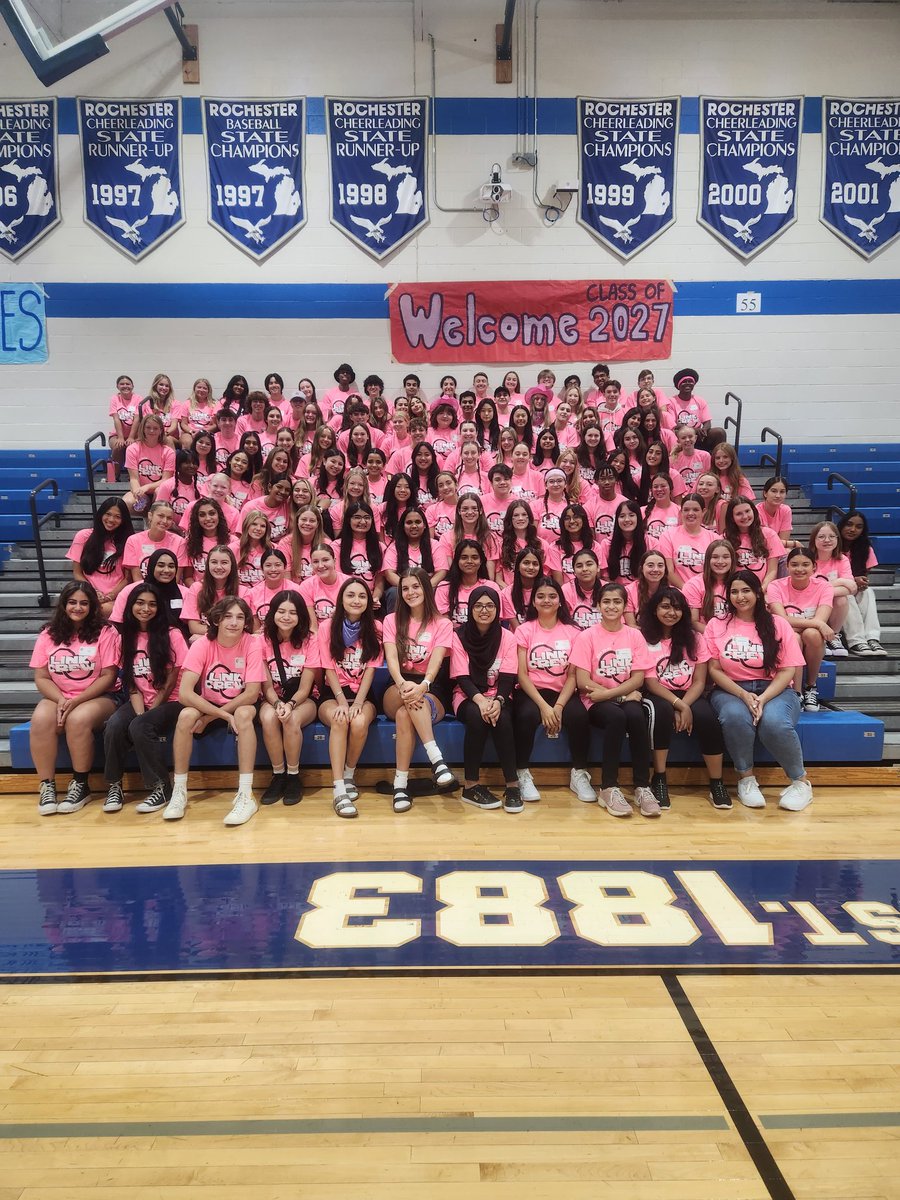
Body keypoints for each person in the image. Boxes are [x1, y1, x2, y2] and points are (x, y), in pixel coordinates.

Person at [706, 570, 812, 811]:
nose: (740, 596)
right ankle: (746, 779)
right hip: (731, 690)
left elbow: (787, 670)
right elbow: (714, 669)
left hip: (775, 689)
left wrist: (762, 698)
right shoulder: (717, 624)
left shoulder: (778, 624)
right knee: (735, 716)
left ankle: (800, 782)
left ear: (757, 593)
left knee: (774, 722)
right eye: (734, 591)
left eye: (746, 590)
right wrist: (744, 695)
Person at [163, 596, 265, 826]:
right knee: (186, 715)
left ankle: (246, 794)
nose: (234, 622)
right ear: (217, 619)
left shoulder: (252, 643)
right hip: (211, 703)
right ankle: (179, 791)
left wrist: (211, 718)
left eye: (240, 617)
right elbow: (185, 694)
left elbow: (251, 693)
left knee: (243, 714)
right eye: (228, 616)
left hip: (239, 703)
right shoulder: (202, 644)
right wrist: (219, 715)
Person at [29, 581, 121, 815]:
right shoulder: (48, 634)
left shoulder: (106, 631)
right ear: (64, 604)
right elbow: (41, 677)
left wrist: (75, 701)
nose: (78, 607)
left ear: (92, 606)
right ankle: (47, 786)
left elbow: (109, 676)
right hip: (59, 695)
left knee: (77, 719)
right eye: (72, 602)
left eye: (84, 603)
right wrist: (61, 700)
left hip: (100, 695)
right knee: (40, 719)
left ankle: (80, 784)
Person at [570, 582, 657, 818]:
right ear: (598, 605)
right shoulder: (586, 636)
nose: (611, 606)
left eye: (617, 601)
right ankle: (608, 788)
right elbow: (582, 680)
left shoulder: (634, 635)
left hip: (619, 695)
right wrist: (617, 695)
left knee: (637, 716)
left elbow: (638, 678)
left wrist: (615, 694)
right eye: (606, 601)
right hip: (595, 700)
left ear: (624, 605)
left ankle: (642, 786)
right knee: (617, 716)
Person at [638, 587, 730, 810]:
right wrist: (678, 705)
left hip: (689, 694)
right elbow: (650, 682)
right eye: (665, 607)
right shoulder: (643, 637)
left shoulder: (696, 639)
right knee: (661, 713)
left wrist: (685, 705)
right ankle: (659, 778)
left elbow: (699, 681)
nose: (671, 612)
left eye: (677, 608)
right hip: (657, 693)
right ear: (654, 610)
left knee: (708, 718)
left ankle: (716, 782)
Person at [101, 584, 187, 813]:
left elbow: (171, 681)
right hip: (139, 698)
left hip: (172, 701)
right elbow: (130, 682)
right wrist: (140, 711)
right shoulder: (124, 638)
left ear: (159, 608)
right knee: (115, 725)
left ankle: (161, 787)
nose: (145, 608)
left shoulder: (172, 634)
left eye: (152, 603)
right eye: (140, 603)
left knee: (141, 725)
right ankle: (114, 786)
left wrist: (147, 714)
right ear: (131, 606)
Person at [513, 575, 595, 805]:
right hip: (532, 691)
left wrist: (558, 706)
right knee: (526, 715)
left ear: (560, 601)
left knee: (579, 715)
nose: (546, 600)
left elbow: (572, 675)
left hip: (563, 692)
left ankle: (579, 773)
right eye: (540, 596)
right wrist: (543, 706)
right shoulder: (524, 630)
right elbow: (521, 674)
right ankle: (522, 773)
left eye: (552, 596)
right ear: (533, 601)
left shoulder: (573, 632)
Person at [382, 569, 457, 811]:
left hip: (430, 686)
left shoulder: (443, 623)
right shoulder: (390, 620)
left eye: (416, 586)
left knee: (407, 713)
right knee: (407, 702)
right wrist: (404, 685)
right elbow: (392, 660)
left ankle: (400, 785)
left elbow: (435, 662)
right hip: (398, 685)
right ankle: (437, 760)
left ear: (426, 589)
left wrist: (423, 685)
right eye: (405, 588)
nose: (410, 592)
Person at [449, 586, 520, 812]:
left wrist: (498, 701)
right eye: (478, 605)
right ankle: (470, 786)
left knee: (504, 719)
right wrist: (481, 702)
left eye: (490, 605)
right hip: (467, 695)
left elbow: (508, 677)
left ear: (497, 609)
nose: (484, 610)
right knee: (478, 718)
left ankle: (513, 785)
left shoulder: (507, 637)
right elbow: (462, 677)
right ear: (470, 609)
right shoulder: (458, 636)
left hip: (498, 694)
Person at [318, 578, 383, 818]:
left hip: (363, 693)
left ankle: (349, 774)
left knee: (358, 722)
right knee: (339, 719)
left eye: (362, 596)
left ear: (368, 601)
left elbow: (371, 669)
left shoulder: (376, 628)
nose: (356, 600)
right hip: (333, 692)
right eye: (351, 595)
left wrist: (357, 702)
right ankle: (338, 790)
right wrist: (342, 701)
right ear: (341, 599)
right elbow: (328, 666)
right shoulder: (327, 627)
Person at [258, 590, 320, 806]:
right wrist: (277, 704)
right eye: (281, 611)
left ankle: (293, 776)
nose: (286, 616)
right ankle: (278, 776)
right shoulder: (262, 640)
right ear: (272, 613)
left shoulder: (310, 641)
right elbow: (266, 686)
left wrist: (290, 705)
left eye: (292, 612)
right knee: (268, 718)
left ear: (301, 615)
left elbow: (305, 687)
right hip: (272, 697)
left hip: (304, 700)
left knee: (291, 718)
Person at [767, 547, 835, 711]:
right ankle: (796, 692)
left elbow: (821, 619)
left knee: (812, 635)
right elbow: (781, 619)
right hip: (786, 632)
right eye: (794, 565)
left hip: (806, 633)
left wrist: (816, 624)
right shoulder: (775, 586)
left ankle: (810, 686)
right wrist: (817, 624)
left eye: (805, 565)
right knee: (794, 637)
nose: (799, 569)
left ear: (814, 567)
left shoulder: (824, 587)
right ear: (787, 567)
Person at [66, 497, 133, 616]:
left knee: (102, 609)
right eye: (108, 514)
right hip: (88, 593)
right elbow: (77, 573)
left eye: (118, 517)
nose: (111, 520)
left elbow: (128, 578)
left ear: (124, 520)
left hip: (116, 596)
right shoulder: (83, 536)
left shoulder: (128, 541)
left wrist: (110, 596)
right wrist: (93, 592)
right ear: (101, 514)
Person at [838, 511, 885, 656]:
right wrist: (852, 581)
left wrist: (861, 583)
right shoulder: (831, 546)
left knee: (867, 591)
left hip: (852, 591)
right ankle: (856, 641)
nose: (853, 529)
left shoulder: (866, 549)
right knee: (846, 594)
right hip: (833, 594)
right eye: (849, 524)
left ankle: (872, 638)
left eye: (858, 527)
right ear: (841, 526)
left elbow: (863, 577)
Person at [808, 520, 857, 657]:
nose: (827, 540)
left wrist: (824, 590)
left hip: (830, 603)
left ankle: (833, 636)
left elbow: (851, 588)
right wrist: (840, 582)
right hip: (809, 602)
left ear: (837, 539)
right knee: (837, 595)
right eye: (821, 536)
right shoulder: (807, 558)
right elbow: (807, 588)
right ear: (814, 539)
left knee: (842, 599)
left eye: (831, 536)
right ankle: (822, 638)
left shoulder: (842, 559)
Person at [123, 412, 175, 513]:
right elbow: (133, 478)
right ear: (143, 429)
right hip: (141, 490)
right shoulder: (132, 449)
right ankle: (147, 517)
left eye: (155, 428)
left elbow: (166, 480)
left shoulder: (168, 451)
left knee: (159, 491)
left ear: (161, 430)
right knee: (127, 502)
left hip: (159, 490)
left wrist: (147, 487)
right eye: (148, 427)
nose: (151, 431)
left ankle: (154, 519)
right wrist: (138, 493)